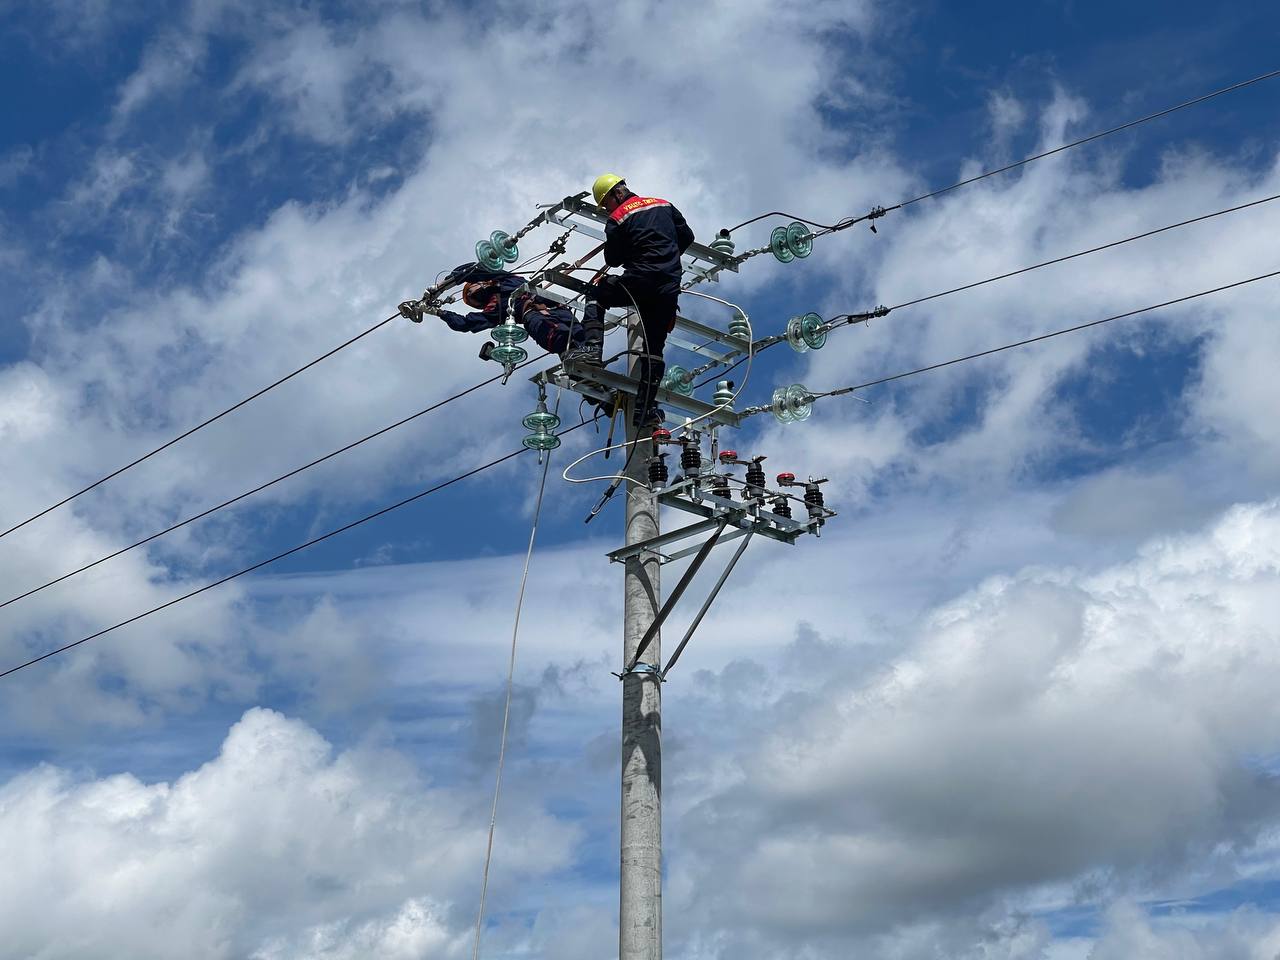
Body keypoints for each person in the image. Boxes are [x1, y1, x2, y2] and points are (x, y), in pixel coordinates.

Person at [567, 173, 694, 429]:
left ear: (616, 195)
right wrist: (665, 255)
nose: (606, 210)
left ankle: (592, 350)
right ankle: (644, 411)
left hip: (640, 281)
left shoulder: (617, 217)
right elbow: (687, 237)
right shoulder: (663, 204)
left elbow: (612, 259)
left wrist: (637, 252)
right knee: (653, 352)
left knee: (596, 293)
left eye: (605, 205)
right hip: (668, 287)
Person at [429, 262, 586, 357]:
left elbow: (472, 270)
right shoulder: (494, 310)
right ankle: (585, 379)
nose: (471, 294)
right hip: (532, 317)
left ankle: (589, 365)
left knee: (583, 340)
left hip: (556, 308)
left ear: (480, 282)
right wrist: (439, 312)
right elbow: (465, 324)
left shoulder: (504, 279)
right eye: (470, 298)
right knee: (559, 340)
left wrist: (444, 284)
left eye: (470, 290)